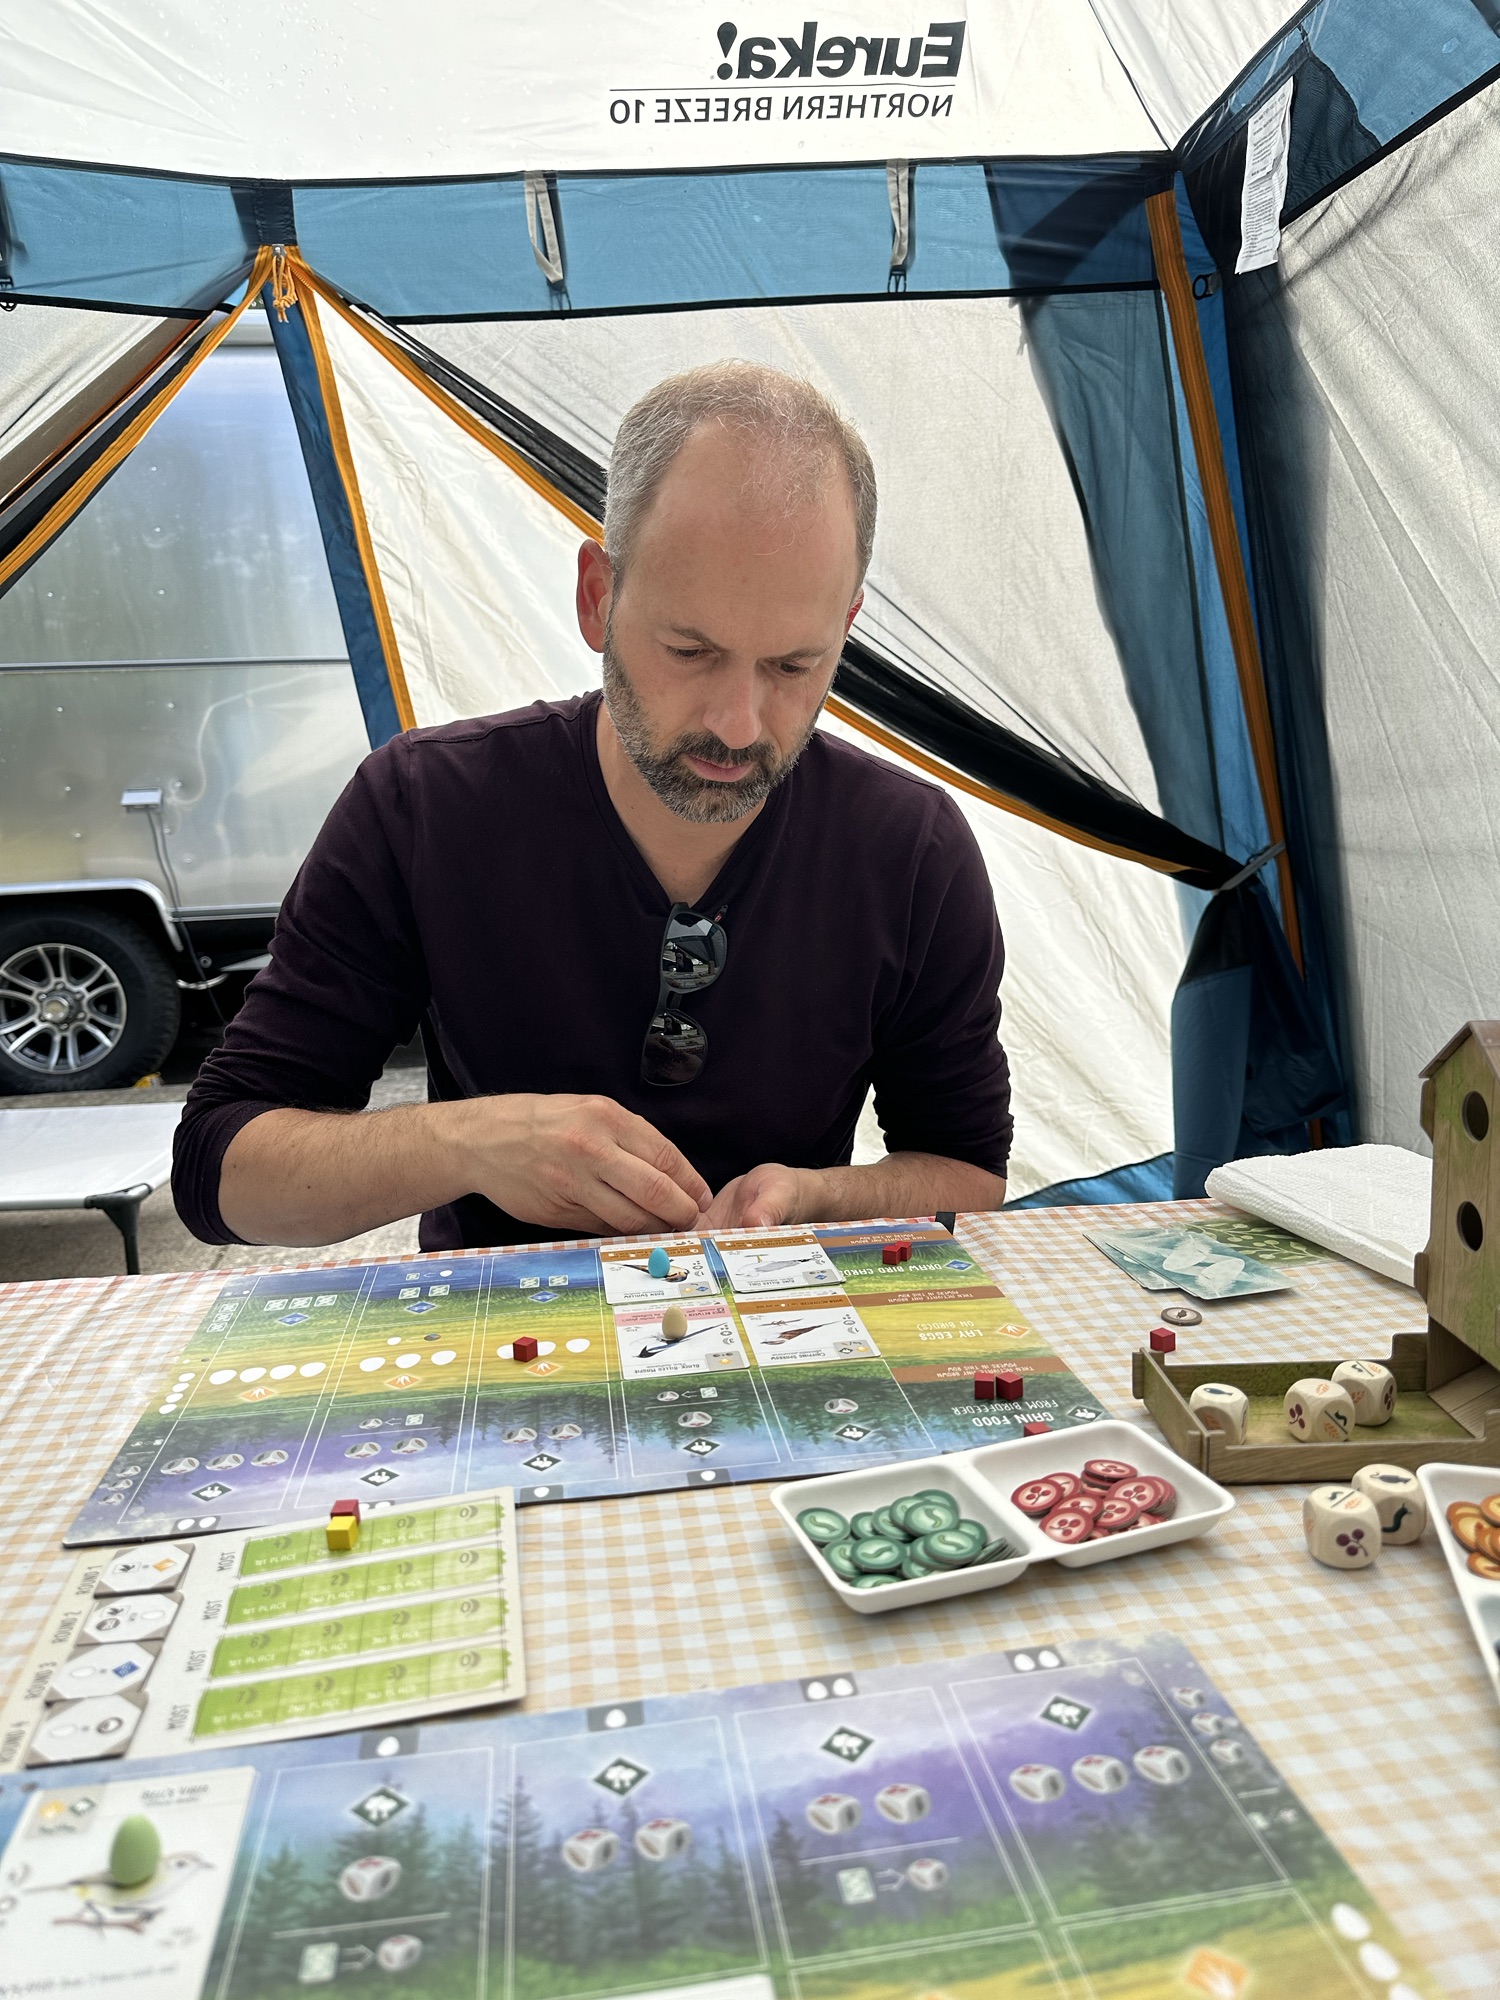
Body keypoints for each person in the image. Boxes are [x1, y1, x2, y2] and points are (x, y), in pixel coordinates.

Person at [173, 361, 1013, 1251]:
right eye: (690, 651)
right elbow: (219, 1172)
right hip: (497, 1326)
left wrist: (815, 1199)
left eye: (793, 666)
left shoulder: (910, 850)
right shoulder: (424, 806)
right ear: (598, 596)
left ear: (844, 629)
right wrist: (471, 1144)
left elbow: (970, 1171)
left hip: (787, 1321)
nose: (738, 725)